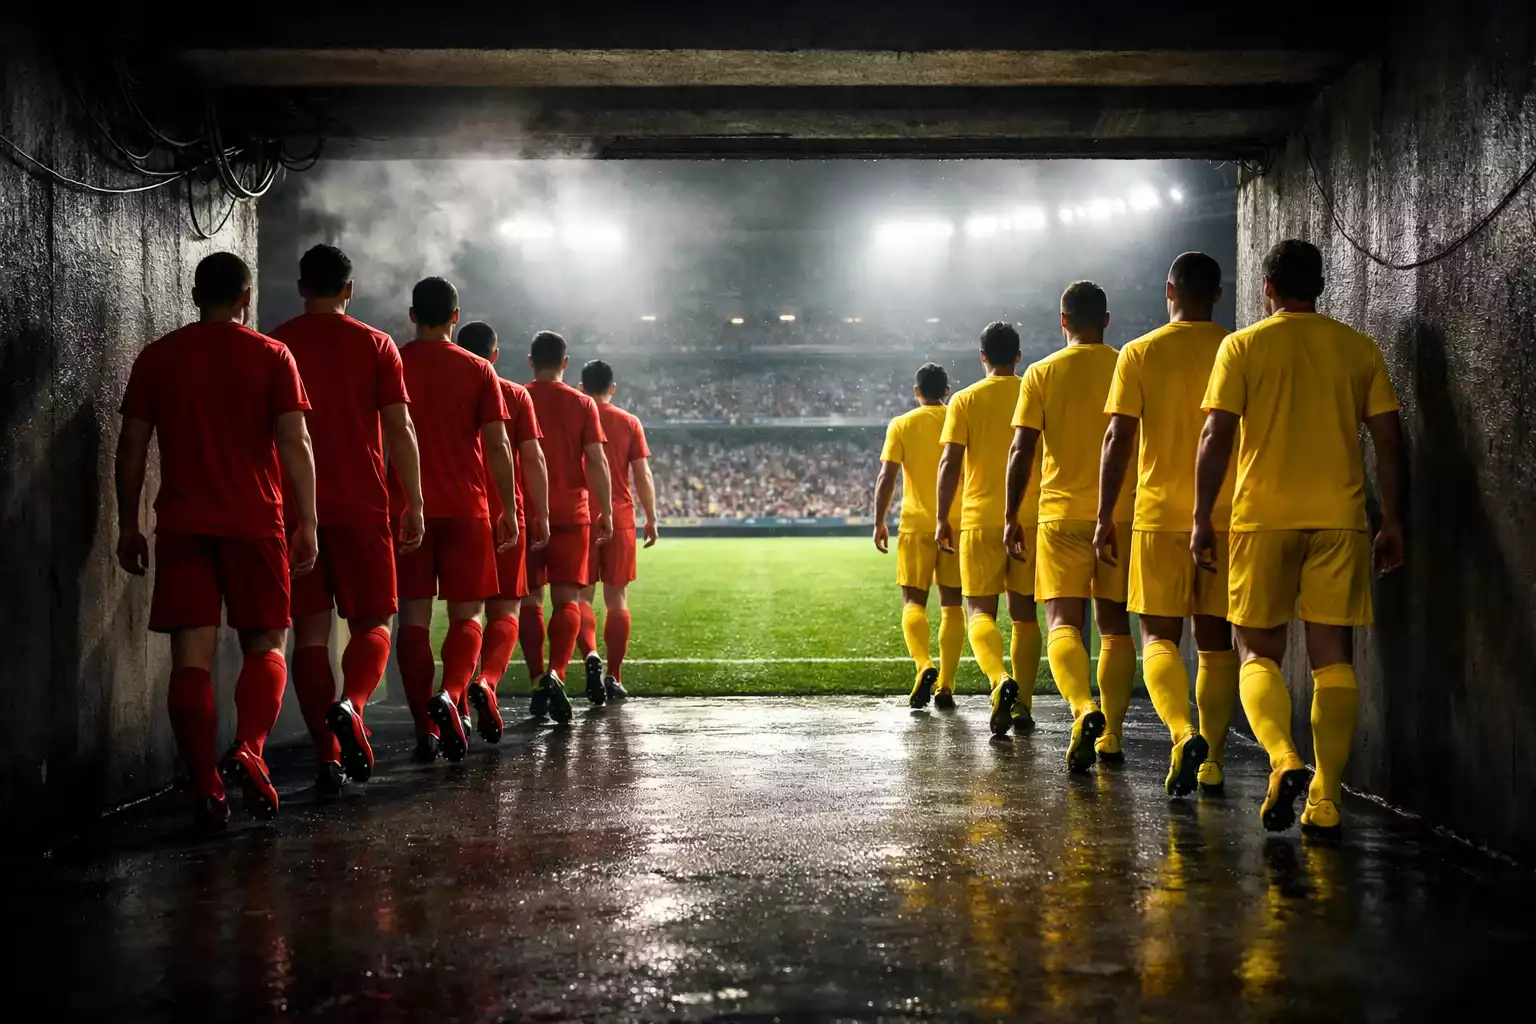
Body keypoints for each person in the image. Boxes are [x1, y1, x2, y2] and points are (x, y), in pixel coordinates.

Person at [1194, 239, 1403, 836]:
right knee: (1331, 657)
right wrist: (1393, 519)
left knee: (1256, 650)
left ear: (1267, 288)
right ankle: (1327, 797)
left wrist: (1202, 515)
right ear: (1321, 284)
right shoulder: (1358, 349)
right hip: (1339, 518)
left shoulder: (1242, 346)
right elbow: (1389, 439)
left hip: (1262, 517)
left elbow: (1215, 436)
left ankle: (1284, 758)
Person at [115, 252, 317, 829]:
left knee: (190, 659)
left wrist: (128, 522)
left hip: (183, 524)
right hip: (256, 522)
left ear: (193, 291)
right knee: (266, 645)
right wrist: (309, 520)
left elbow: (131, 446)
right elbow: (294, 442)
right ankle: (250, 748)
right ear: (246, 298)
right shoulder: (272, 355)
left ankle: (205, 783)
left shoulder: (158, 357)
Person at [268, 244, 424, 796]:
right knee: (376, 622)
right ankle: (352, 705)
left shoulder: (277, 344)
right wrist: (415, 502)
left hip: (294, 508)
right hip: (363, 504)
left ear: (302, 286)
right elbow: (401, 428)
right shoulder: (377, 345)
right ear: (350, 290)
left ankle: (326, 757)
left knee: (309, 637)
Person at [1095, 253, 1238, 797]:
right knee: (1215, 641)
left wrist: (1107, 514)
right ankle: (1214, 761)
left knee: (1157, 635)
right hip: (1226, 516)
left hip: (1156, 514)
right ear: (1218, 296)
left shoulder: (1138, 353)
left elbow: (1118, 439)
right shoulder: (1236, 347)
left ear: (1169, 290)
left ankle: (1181, 735)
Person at [1005, 282, 1137, 774]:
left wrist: (1011, 514)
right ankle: (1114, 737)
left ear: (1063, 321)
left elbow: (1021, 450)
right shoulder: (1129, 363)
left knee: (1062, 622)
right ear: (1106, 320)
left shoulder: (1040, 373)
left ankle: (1083, 709)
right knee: (1115, 628)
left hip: (1059, 514)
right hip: (1120, 514)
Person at [391, 278, 522, 763]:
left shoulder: (393, 361)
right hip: (468, 507)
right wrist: (508, 506)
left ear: (411, 315)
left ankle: (424, 727)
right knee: (469, 615)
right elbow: (497, 445)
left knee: (413, 620)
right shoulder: (477, 370)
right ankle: (451, 692)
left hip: (407, 508)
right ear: (455, 316)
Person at [936, 323, 1043, 736]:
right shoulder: (1033, 390)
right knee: (1024, 616)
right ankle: (1025, 706)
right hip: (1030, 517)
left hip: (979, 518)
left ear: (982, 355)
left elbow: (948, 463)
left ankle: (1000, 681)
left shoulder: (964, 400)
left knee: (979, 611)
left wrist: (943, 516)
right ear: (1018, 355)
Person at [457, 321, 550, 736]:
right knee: (508, 606)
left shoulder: (445, 391)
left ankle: (453, 701)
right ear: (495, 355)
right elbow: (532, 458)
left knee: (465, 613)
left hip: (461, 508)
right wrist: (540, 513)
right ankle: (487, 681)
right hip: (504, 510)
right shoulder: (515, 395)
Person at [521, 332, 613, 719]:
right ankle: (558, 672)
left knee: (529, 601)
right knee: (568, 600)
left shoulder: (515, 395)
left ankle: (537, 679)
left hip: (526, 511)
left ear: (530, 362)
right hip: (572, 514)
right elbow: (596, 460)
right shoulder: (582, 404)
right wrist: (606, 509)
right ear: (565, 363)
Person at [872, 363, 966, 709]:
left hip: (914, 523)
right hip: (956, 524)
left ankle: (924, 664)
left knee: (913, 603)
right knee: (953, 605)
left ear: (916, 392)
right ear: (947, 390)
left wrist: (879, 520)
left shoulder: (901, 424)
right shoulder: (959, 418)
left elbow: (887, 477)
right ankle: (946, 685)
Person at [576, 359, 657, 702]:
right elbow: (642, 474)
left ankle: (590, 655)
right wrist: (651, 517)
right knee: (616, 598)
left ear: (581, 388)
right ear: (612, 388)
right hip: (621, 516)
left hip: (580, 515)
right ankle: (614, 675)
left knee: (580, 597)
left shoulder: (574, 417)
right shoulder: (628, 422)